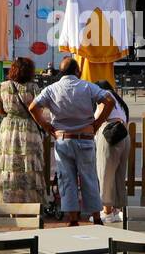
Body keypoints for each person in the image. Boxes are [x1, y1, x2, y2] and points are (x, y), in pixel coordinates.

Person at [29, 56, 113, 226]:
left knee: (66, 180)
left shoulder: (51, 89)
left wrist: (46, 125)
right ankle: (96, 217)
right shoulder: (88, 86)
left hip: (63, 139)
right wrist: (96, 124)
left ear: (61, 72)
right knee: (89, 178)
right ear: (77, 71)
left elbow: (33, 107)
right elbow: (109, 100)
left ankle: (73, 218)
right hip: (85, 138)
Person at [0, 57, 46, 205]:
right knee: (29, 165)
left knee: (8, 164)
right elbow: (39, 110)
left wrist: (10, 110)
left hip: (8, 127)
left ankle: (7, 202)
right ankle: (29, 202)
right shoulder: (34, 88)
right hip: (29, 127)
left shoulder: (2, 86)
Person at [94, 79, 129, 224]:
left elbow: (100, 115)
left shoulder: (105, 95)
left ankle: (107, 211)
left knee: (105, 174)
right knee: (119, 175)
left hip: (109, 133)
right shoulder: (120, 102)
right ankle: (119, 209)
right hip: (124, 135)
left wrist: (94, 124)